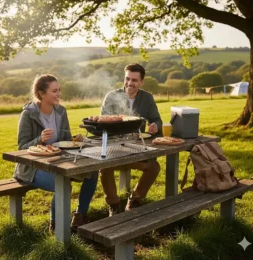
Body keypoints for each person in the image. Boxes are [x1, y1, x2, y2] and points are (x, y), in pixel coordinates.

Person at [13, 74, 98, 231]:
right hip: (32, 168)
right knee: (63, 184)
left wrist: (76, 139)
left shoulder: (60, 111)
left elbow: (65, 139)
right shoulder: (28, 115)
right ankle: (56, 226)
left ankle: (80, 216)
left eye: (59, 90)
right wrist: (40, 139)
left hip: (59, 161)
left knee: (92, 173)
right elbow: (22, 148)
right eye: (54, 91)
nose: (59, 94)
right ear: (41, 93)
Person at [100, 63, 162, 216]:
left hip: (136, 149)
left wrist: (155, 126)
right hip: (113, 148)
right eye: (127, 79)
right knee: (104, 165)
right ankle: (114, 204)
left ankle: (134, 200)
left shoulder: (147, 98)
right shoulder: (112, 96)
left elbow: (157, 120)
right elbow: (102, 121)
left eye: (134, 80)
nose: (129, 83)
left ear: (141, 82)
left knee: (154, 167)